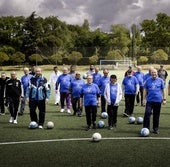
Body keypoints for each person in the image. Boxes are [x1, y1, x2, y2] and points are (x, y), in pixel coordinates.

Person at [143, 68, 166, 134]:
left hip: (158, 101)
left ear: (157, 73)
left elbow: (163, 90)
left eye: (155, 72)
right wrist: (143, 99)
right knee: (147, 114)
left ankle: (155, 129)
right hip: (149, 101)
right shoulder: (147, 80)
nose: (154, 74)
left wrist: (164, 99)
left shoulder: (161, 80)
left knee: (156, 116)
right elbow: (145, 90)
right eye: (152, 72)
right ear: (151, 73)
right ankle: (146, 128)